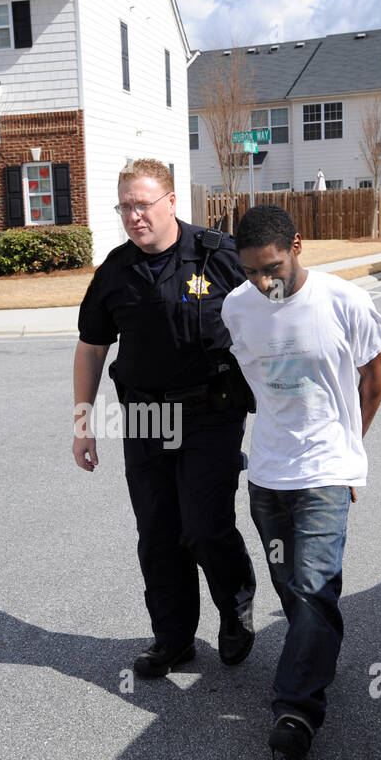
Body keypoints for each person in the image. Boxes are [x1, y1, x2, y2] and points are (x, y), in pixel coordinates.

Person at [220, 204, 381, 760]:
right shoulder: (236, 307)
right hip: (268, 474)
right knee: (292, 588)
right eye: (250, 271)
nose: (262, 281)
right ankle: (317, 657)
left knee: (314, 583)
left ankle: (296, 708)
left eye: (271, 267)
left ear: (298, 246)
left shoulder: (344, 300)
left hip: (325, 469)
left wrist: (351, 448)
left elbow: (376, 376)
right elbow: (256, 380)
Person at [72, 159, 257, 677]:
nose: (134, 216)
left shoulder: (217, 257)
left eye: (143, 204)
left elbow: (271, 318)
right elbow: (91, 348)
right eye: (125, 206)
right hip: (147, 416)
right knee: (157, 532)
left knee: (203, 525)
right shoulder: (114, 270)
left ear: (172, 202)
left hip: (211, 411)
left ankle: (235, 606)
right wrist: (83, 421)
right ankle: (173, 638)